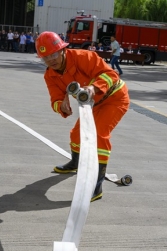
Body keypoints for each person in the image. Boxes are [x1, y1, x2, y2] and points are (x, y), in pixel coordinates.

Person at [35, 31, 130, 202]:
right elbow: (55, 100)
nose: (51, 60)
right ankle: (75, 163)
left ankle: (96, 185)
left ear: (63, 50)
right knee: (75, 135)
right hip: (91, 106)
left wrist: (94, 87)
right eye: (45, 58)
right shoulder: (50, 75)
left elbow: (111, 75)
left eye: (54, 54)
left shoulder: (84, 57)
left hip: (115, 98)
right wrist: (62, 106)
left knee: (100, 136)